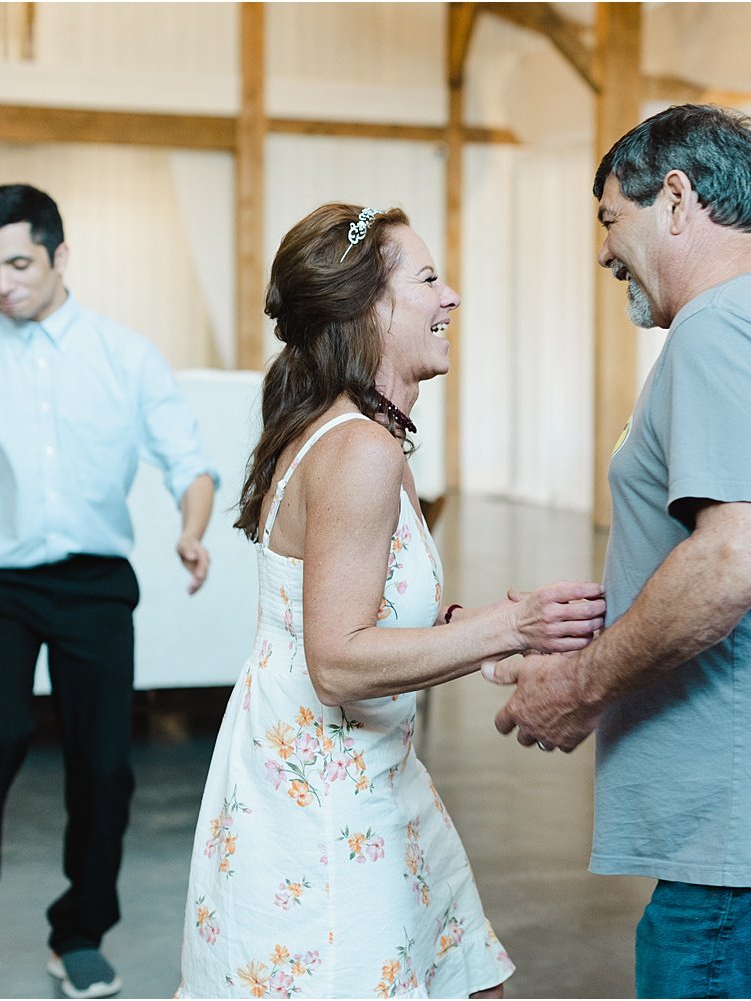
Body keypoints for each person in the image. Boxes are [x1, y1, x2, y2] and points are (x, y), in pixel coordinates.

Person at [491, 105, 751, 999]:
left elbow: (741, 555)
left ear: (677, 200)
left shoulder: (719, 329)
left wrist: (581, 685)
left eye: (611, 217)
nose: (604, 250)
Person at [175, 203, 605, 999]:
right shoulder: (359, 450)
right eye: (431, 279)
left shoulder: (369, 436)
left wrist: (481, 632)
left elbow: (370, 605)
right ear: (369, 307)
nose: (453, 299)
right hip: (326, 796)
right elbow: (337, 661)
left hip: (374, 773)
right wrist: (513, 622)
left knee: (471, 981)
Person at [0, 184, 218, 1001]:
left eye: (18, 263)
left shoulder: (125, 355)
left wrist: (192, 527)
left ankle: (79, 932)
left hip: (92, 585)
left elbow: (188, 463)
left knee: (103, 765)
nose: (2, 284)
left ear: (58, 254)